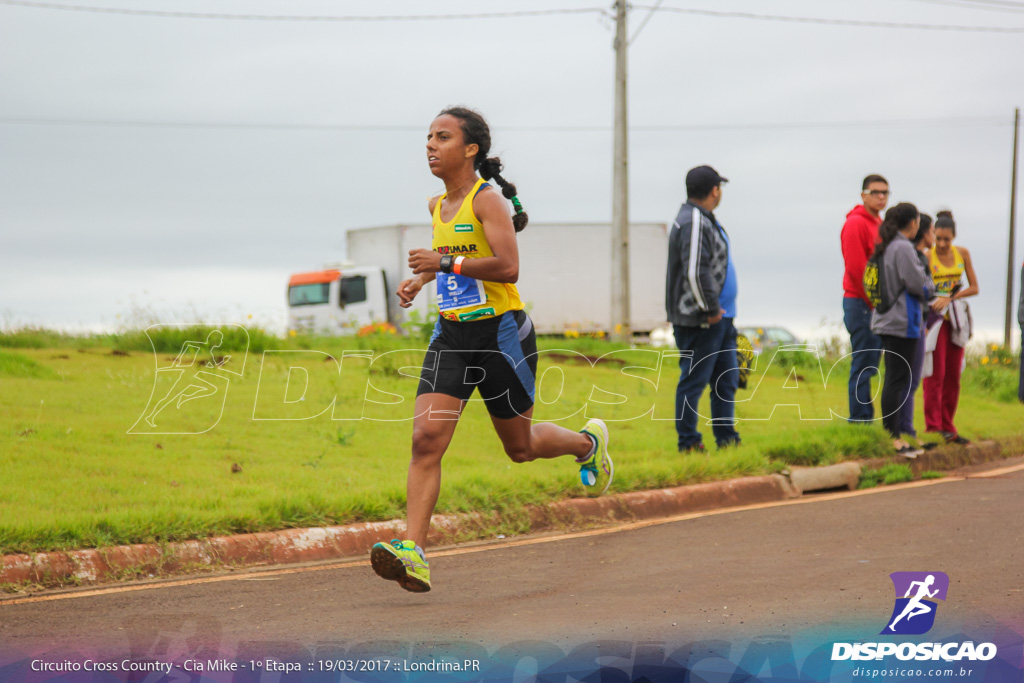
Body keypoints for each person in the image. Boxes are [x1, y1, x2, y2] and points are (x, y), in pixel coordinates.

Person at [369, 106, 613, 593]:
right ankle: (413, 552)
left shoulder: (489, 202)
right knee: (425, 440)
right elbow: (451, 262)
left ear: (470, 149)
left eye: (442, 137)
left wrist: (443, 263)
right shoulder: (437, 206)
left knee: (519, 449)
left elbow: (506, 267)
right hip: (452, 336)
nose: (430, 145)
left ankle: (588, 444)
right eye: (429, 137)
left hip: (501, 335)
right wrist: (422, 279)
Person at [665, 165, 740, 453]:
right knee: (694, 381)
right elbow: (696, 271)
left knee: (726, 380)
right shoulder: (694, 221)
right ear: (714, 190)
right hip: (702, 320)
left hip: (721, 318)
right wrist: (710, 310)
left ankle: (727, 439)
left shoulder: (703, 219)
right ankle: (689, 442)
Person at [869, 202, 935, 457]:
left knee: (895, 379)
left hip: (887, 318)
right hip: (901, 320)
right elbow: (918, 283)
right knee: (898, 380)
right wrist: (931, 287)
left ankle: (894, 435)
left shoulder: (887, 245)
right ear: (912, 223)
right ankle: (894, 438)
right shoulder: (903, 247)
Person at [922, 210, 978, 444]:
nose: (942, 244)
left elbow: (974, 287)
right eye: (938, 238)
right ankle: (933, 425)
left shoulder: (962, 254)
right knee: (936, 372)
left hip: (955, 318)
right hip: (935, 319)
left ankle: (949, 425)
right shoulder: (927, 256)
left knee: (953, 374)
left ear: (954, 237)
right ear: (933, 235)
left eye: (947, 239)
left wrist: (952, 297)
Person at [841, 174, 890, 423]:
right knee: (863, 362)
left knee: (871, 363)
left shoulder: (879, 225)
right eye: (875, 192)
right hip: (860, 303)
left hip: (876, 304)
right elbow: (857, 269)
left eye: (885, 193)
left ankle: (865, 418)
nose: (881, 197)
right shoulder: (855, 224)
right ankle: (859, 419)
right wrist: (874, 301)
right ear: (863, 195)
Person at [897, 213, 937, 450]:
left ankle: (906, 429)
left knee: (907, 379)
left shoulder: (906, 253)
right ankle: (905, 430)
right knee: (909, 379)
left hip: (913, 319)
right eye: (932, 231)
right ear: (922, 231)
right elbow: (923, 287)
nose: (933, 236)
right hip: (913, 320)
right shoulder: (916, 257)